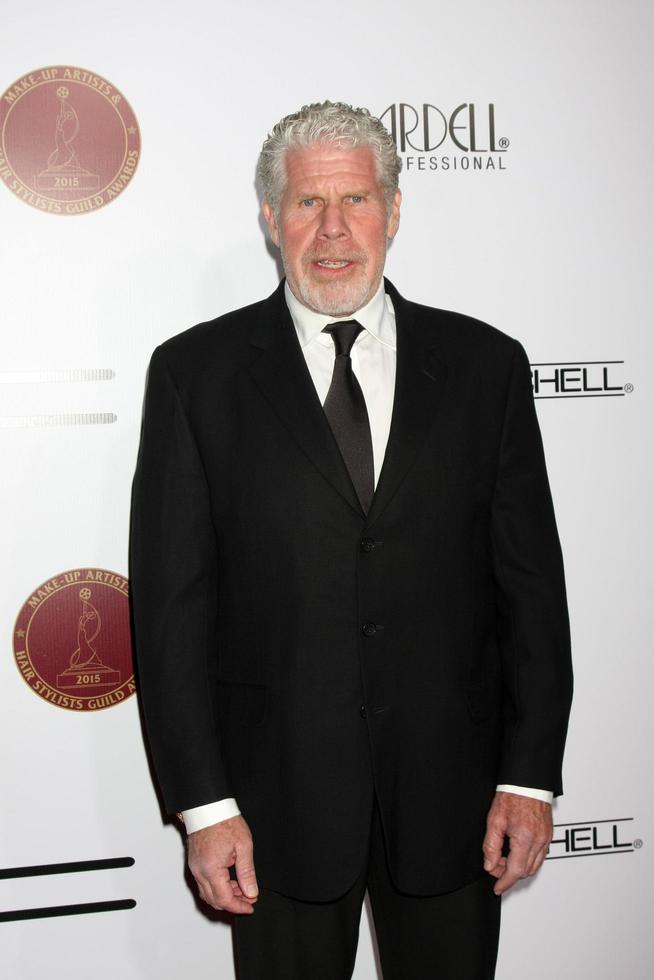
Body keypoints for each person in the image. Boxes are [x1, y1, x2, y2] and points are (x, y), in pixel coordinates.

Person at [130, 101, 573, 979]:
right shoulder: (194, 374)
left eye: (357, 200)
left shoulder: (486, 366)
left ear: (396, 210)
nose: (333, 230)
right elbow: (171, 615)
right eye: (306, 204)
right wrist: (205, 806)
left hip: (455, 801)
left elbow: (531, 591)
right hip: (271, 808)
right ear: (270, 217)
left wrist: (529, 780)